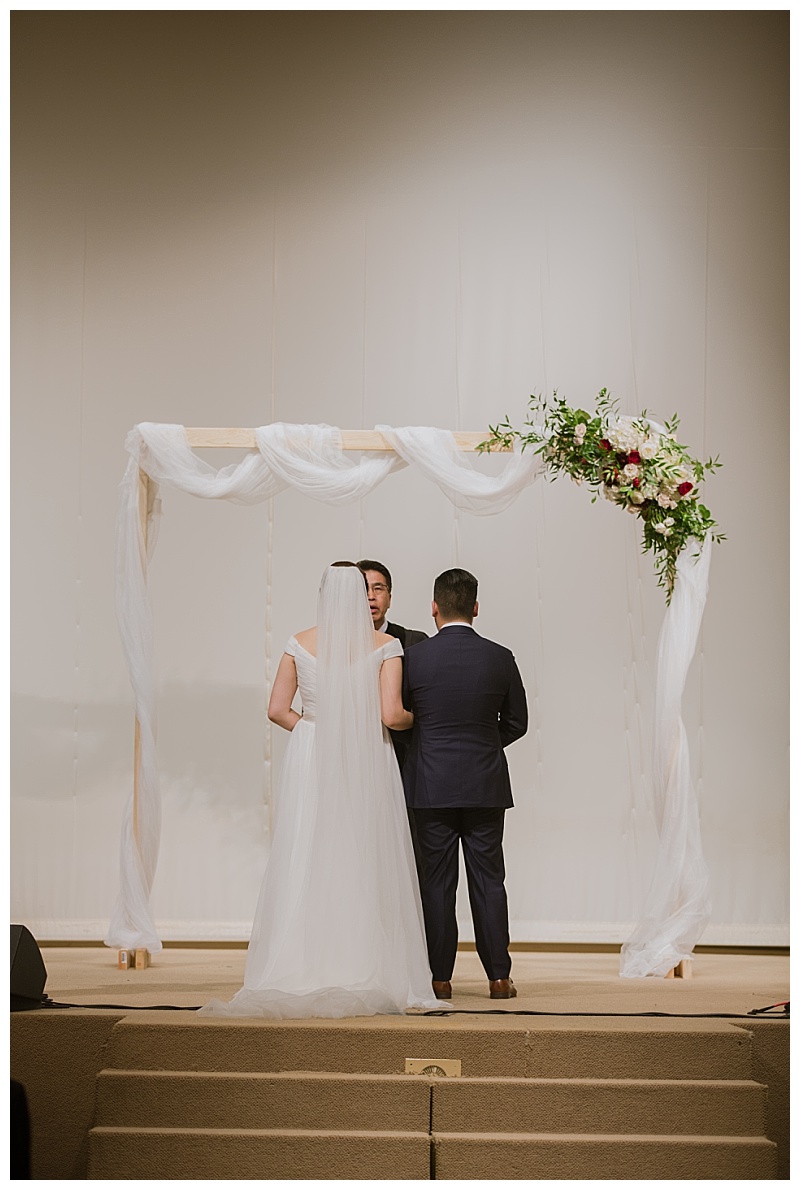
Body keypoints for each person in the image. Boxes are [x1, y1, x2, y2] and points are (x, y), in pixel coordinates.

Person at [201, 562, 442, 1019]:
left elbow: (276, 709)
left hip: (310, 755)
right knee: (365, 854)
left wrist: (311, 731)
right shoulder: (386, 646)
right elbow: (392, 715)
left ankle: (303, 962)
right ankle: (364, 961)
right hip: (368, 752)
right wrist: (422, 721)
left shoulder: (299, 642)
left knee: (308, 851)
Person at [401, 568, 528, 1001]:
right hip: (485, 784)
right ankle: (498, 978)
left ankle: (439, 978)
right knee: (489, 880)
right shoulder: (500, 656)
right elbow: (518, 723)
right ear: (475, 608)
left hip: (429, 785)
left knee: (436, 883)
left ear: (434, 608)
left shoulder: (413, 658)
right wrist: (486, 746)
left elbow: (401, 720)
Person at [357, 559, 427, 771]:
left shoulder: (414, 642)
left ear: (390, 597)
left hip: (401, 757)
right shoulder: (332, 644)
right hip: (353, 752)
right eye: (363, 589)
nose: (370, 596)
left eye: (378, 588)